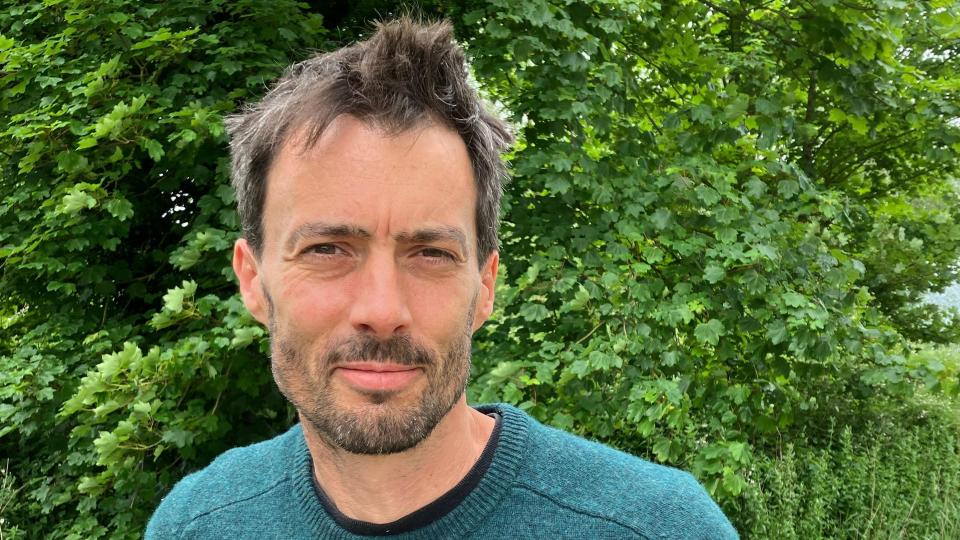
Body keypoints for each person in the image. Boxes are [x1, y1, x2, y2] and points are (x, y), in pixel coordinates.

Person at [146, 17, 738, 539]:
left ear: (485, 286)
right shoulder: (196, 523)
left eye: (429, 253)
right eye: (328, 249)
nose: (382, 309)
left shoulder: (656, 527)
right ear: (253, 280)